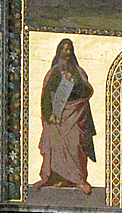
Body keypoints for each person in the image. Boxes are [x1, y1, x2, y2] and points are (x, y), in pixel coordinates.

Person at [35, 39, 95, 192]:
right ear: (59, 52)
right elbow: (46, 96)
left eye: (69, 50)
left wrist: (74, 82)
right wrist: (50, 115)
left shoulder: (78, 72)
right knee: (55, 145)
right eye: (64, 50)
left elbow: (87, 91)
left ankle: (78, 179)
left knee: (76, 144)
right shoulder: (53, 73)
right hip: (57, 118)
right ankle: (56, 177)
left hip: (75, 115)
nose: (66, 53)